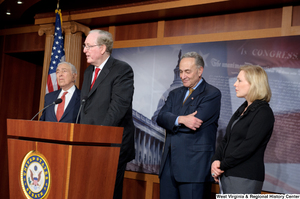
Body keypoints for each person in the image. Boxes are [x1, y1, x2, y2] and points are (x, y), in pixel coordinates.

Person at [156, 51, 221, 199]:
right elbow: (160, 117)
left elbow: (195, 122)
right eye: (180, 71)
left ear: (200, 71)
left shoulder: (212, 93)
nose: (182, 76)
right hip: (169, 167)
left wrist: (173, 119)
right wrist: (181, 119)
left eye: (187, 71)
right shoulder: (174, 93)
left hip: (194, 168)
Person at [80, 29, 135, 199]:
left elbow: (118, 108)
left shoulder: (122, 70)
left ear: (102, 48)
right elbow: (85, 108)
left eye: (88, 46)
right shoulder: (89, 71)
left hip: (111, 144)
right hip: (88, 143)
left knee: (107, 192)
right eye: (84, 46)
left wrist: (99, 135)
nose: (84, 50)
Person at [211, 65, 275, 194]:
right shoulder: (243, 108)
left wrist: (221, 165)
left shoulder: (263, 112)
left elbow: (248, 147)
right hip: (228, 174)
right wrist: (215, 160)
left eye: (239, 80)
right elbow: (226, 139)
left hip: (244, 178)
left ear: (253, 84)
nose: (235, 84)